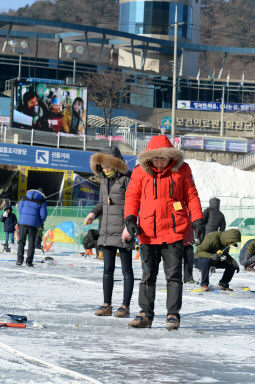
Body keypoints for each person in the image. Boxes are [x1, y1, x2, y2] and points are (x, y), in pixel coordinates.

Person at [123, 135, 204, 330]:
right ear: (149, 158)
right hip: (147, 231)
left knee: (174, 276)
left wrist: (198, 220)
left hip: (174, 231)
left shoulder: (182, 171)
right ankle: (145, 314)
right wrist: (130, 218)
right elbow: (132, 195)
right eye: (155, 158)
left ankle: (173, 315)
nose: (159, 161)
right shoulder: (140, 171)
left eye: (163, 158)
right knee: (148, 275)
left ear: (171, 157)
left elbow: (191, 196)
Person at [84, 147, 134, 318]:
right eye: (102, 165)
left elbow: (134, 205)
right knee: (107, 270)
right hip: (106, 231)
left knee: (127, 270)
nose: (104, 168)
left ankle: (125, 306)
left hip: (123, 231)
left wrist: (129, 227)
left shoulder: (127, 179)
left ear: (115, 163)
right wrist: (93, 213)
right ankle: (107, 304)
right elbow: (102, 203)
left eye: (107, 165)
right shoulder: (104, 180)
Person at [17, 188, 47, 266]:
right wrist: (38, 222)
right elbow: (43, 215)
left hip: (23, 223)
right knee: (31, 244)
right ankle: (29, 261)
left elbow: (20, 208)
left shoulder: (24, 198)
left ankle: (19, 260)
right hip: (33, 224)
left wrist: (23, 216)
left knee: (21, 242)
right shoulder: (42, 201)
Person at [183, 219, 195, 284]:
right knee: (176, 262)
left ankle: (188, 278)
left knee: (189, 260)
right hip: (177, 241)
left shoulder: (191, 212)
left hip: (189, 241)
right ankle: (174, 279)